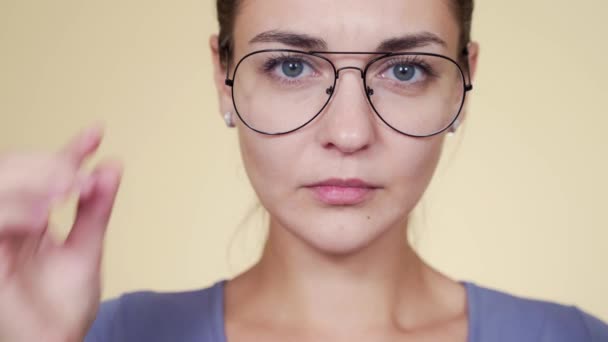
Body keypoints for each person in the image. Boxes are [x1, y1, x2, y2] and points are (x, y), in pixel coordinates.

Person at [0, 0, 607, 341]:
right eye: (292, 66)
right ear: (224, 75)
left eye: (404, 70)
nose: (348, 134)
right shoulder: (96, 337)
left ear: (463, 82)